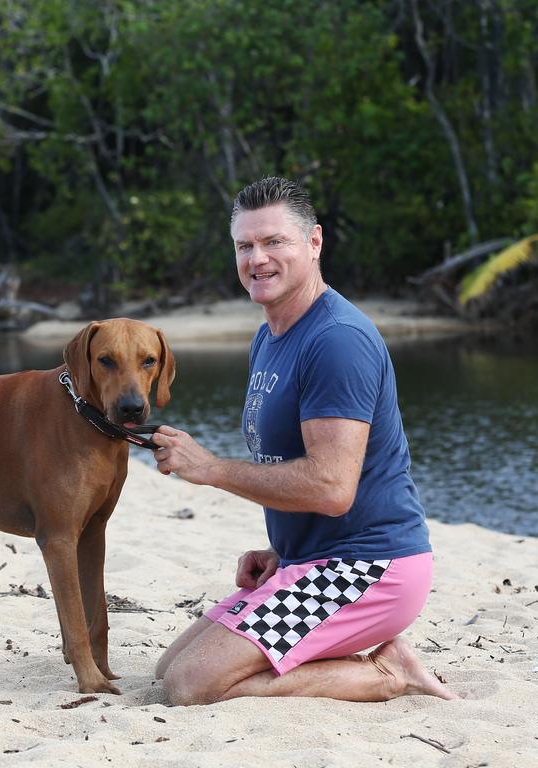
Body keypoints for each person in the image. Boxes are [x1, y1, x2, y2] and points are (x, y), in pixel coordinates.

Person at [151, 176, 458, 704]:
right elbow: (306, 468)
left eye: (274, 242)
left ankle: (390, 672)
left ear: (314, 243)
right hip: (312, 561)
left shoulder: (337, 341)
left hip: (370, 568)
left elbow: (332, 486)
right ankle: (361, 651)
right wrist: (283, 546)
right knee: (169, 668)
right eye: (244, 245)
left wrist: (212, 468)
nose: (257, 259)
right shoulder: (270, 336)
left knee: (191, 685)